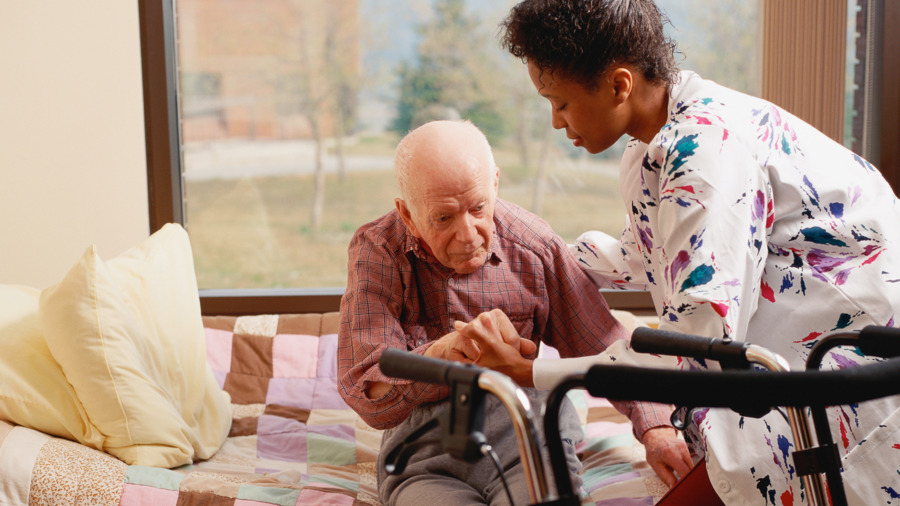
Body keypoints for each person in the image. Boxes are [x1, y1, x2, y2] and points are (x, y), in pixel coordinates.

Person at [491, 0, 900, 504]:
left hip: (858, 367)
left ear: (620, 85)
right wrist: (533, 254)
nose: (555, 121)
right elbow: (652, 257)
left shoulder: (704, 152)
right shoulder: (653, 145)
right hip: (805, 363)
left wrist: (536, 373)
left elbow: (700, 336)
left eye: (561, 102)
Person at [336, 119, 692, 506]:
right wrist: (444, 354)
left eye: (478, 208)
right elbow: (367, 391)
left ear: (495, 185)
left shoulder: (533, 244)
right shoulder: (378, 250)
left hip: (530, 440)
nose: (468, 233)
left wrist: (657, 427)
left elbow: (605, 341)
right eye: (443, 218)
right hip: (425, 456)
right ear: (407, 214)